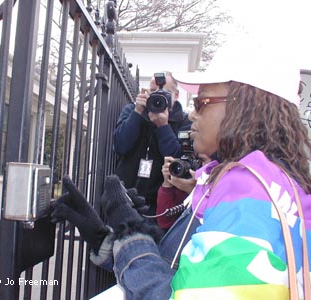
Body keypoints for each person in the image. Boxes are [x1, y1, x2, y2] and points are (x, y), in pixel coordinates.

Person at [52, 37, 311, 300]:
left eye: (202, 103)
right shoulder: (267, 184)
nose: (191, 114)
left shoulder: (248, 190)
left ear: (247, 108)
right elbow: (178, 267)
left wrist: (132, 233)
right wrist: (107, 239)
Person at [113, 71, 191, 214]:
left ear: (176, 95)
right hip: (125, 199)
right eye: (154, 91)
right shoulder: (133, 111)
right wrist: (137, 113)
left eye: (165, 92)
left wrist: (163, 127)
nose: (159, 96)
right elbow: (119, 146)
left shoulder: (185, 122)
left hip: (160, 204)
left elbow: (179, 161)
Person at [156, 153, 211, 230]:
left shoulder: (221, 185)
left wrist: (195, 192)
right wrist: (167, 183)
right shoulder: (182, 180)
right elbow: (164, 222)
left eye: (201, 160)